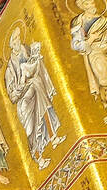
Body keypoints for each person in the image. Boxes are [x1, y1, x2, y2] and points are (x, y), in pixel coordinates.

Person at [4, 27, 65, 169]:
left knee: (45, 111)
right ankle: (38, 158)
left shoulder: (28, 50)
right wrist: (22, 83)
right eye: (15, 40)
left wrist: (36, 59)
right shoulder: (10, 69)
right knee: (32, 129)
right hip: (25, 101)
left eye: (19, 38)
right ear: (11, 45)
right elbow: (12, 95)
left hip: (37, 90)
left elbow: (37, 68)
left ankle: (53, 137)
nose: (18, 41)